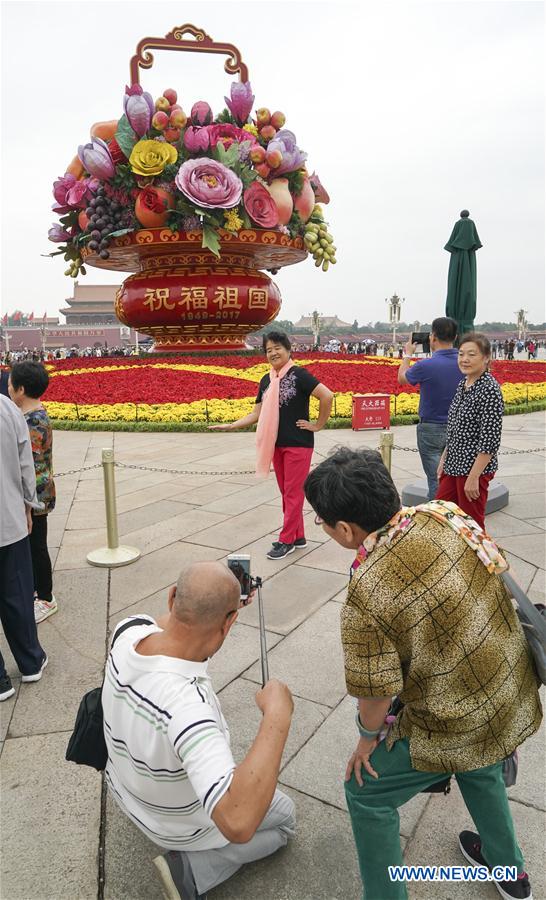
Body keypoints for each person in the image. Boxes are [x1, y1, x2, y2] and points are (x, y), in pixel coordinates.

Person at [304, 446, 541, 900]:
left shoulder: (367, 589)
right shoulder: (443, 513)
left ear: (346, 529)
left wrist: (364, 740)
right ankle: (510, 873)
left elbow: (375, 695)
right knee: (481, 763)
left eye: (322, 522)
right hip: (509, 682)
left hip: (454, 715)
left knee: (366, 794)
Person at [102, 561, 295, 900]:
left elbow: (178, 634)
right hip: (174, 826)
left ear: (172, 597)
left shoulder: (127, 630)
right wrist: (277, 716)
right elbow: (238, 821)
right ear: (229, 622)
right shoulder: (188, 709)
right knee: (284, 820)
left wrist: (220, 607)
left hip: (125, 793)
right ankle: (191, 871)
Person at [209, 331, 333, 559]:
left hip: (298, 444)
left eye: (277, 347)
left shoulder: (299, 375)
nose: (273, 353)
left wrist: (317, 425)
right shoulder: (266, 380)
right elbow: (256, 413)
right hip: (275, 445)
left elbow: (327, 396)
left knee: (293, 493)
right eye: (268, 349)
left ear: (288, 349)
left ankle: (285, 540)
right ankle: (298, 536)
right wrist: (232, 426)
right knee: (287, 493)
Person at [0, 395, 48, 701]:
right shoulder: (5, 408)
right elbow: (24, 462)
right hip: (8, 521)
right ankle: (30, 661)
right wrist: (29, 505)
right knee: (17, 594)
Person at [436, 333, 503, 530]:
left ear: (486, 357)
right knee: (441, 515)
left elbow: (489, 440)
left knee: (471, 526)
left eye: (472, 354)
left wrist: (474, 477)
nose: (464, 359)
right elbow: (455, 427)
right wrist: (444, 459)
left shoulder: (489, 389)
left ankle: (481, 561)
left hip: (473, 469)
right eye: (461, 354)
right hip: (453, 464)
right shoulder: (463, 384)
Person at [8, 362, 57, 622]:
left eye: (10, 384)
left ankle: (46, 598)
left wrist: (27, 503)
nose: (7, 388)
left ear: (21, 389)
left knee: (37, 546)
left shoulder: (33, 421)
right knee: (31, 545)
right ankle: (35, 590)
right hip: (34, 494)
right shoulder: (30, 416)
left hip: (35, 496)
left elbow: (31, 464)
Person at [397, 317, 461, 500]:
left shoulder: (425, 365)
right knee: (456, 478)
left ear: (432, 337)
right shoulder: (465, 362)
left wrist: (408, 354)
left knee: (436, 480)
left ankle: (439, 518)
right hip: (460, 428)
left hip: (431, 429)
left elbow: (402, 378)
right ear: (455, 337)